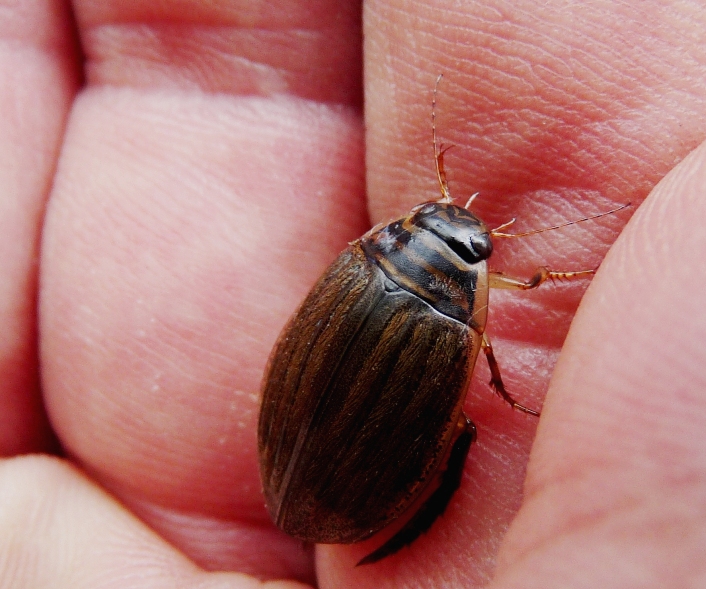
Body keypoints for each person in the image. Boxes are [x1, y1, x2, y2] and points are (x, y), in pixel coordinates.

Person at [2, 1, 705, 587]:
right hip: (341, 475)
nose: (461, 215)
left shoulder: (364, 264)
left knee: (450, 430)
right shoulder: (460, 324)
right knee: (459, 426)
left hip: (332, 469)